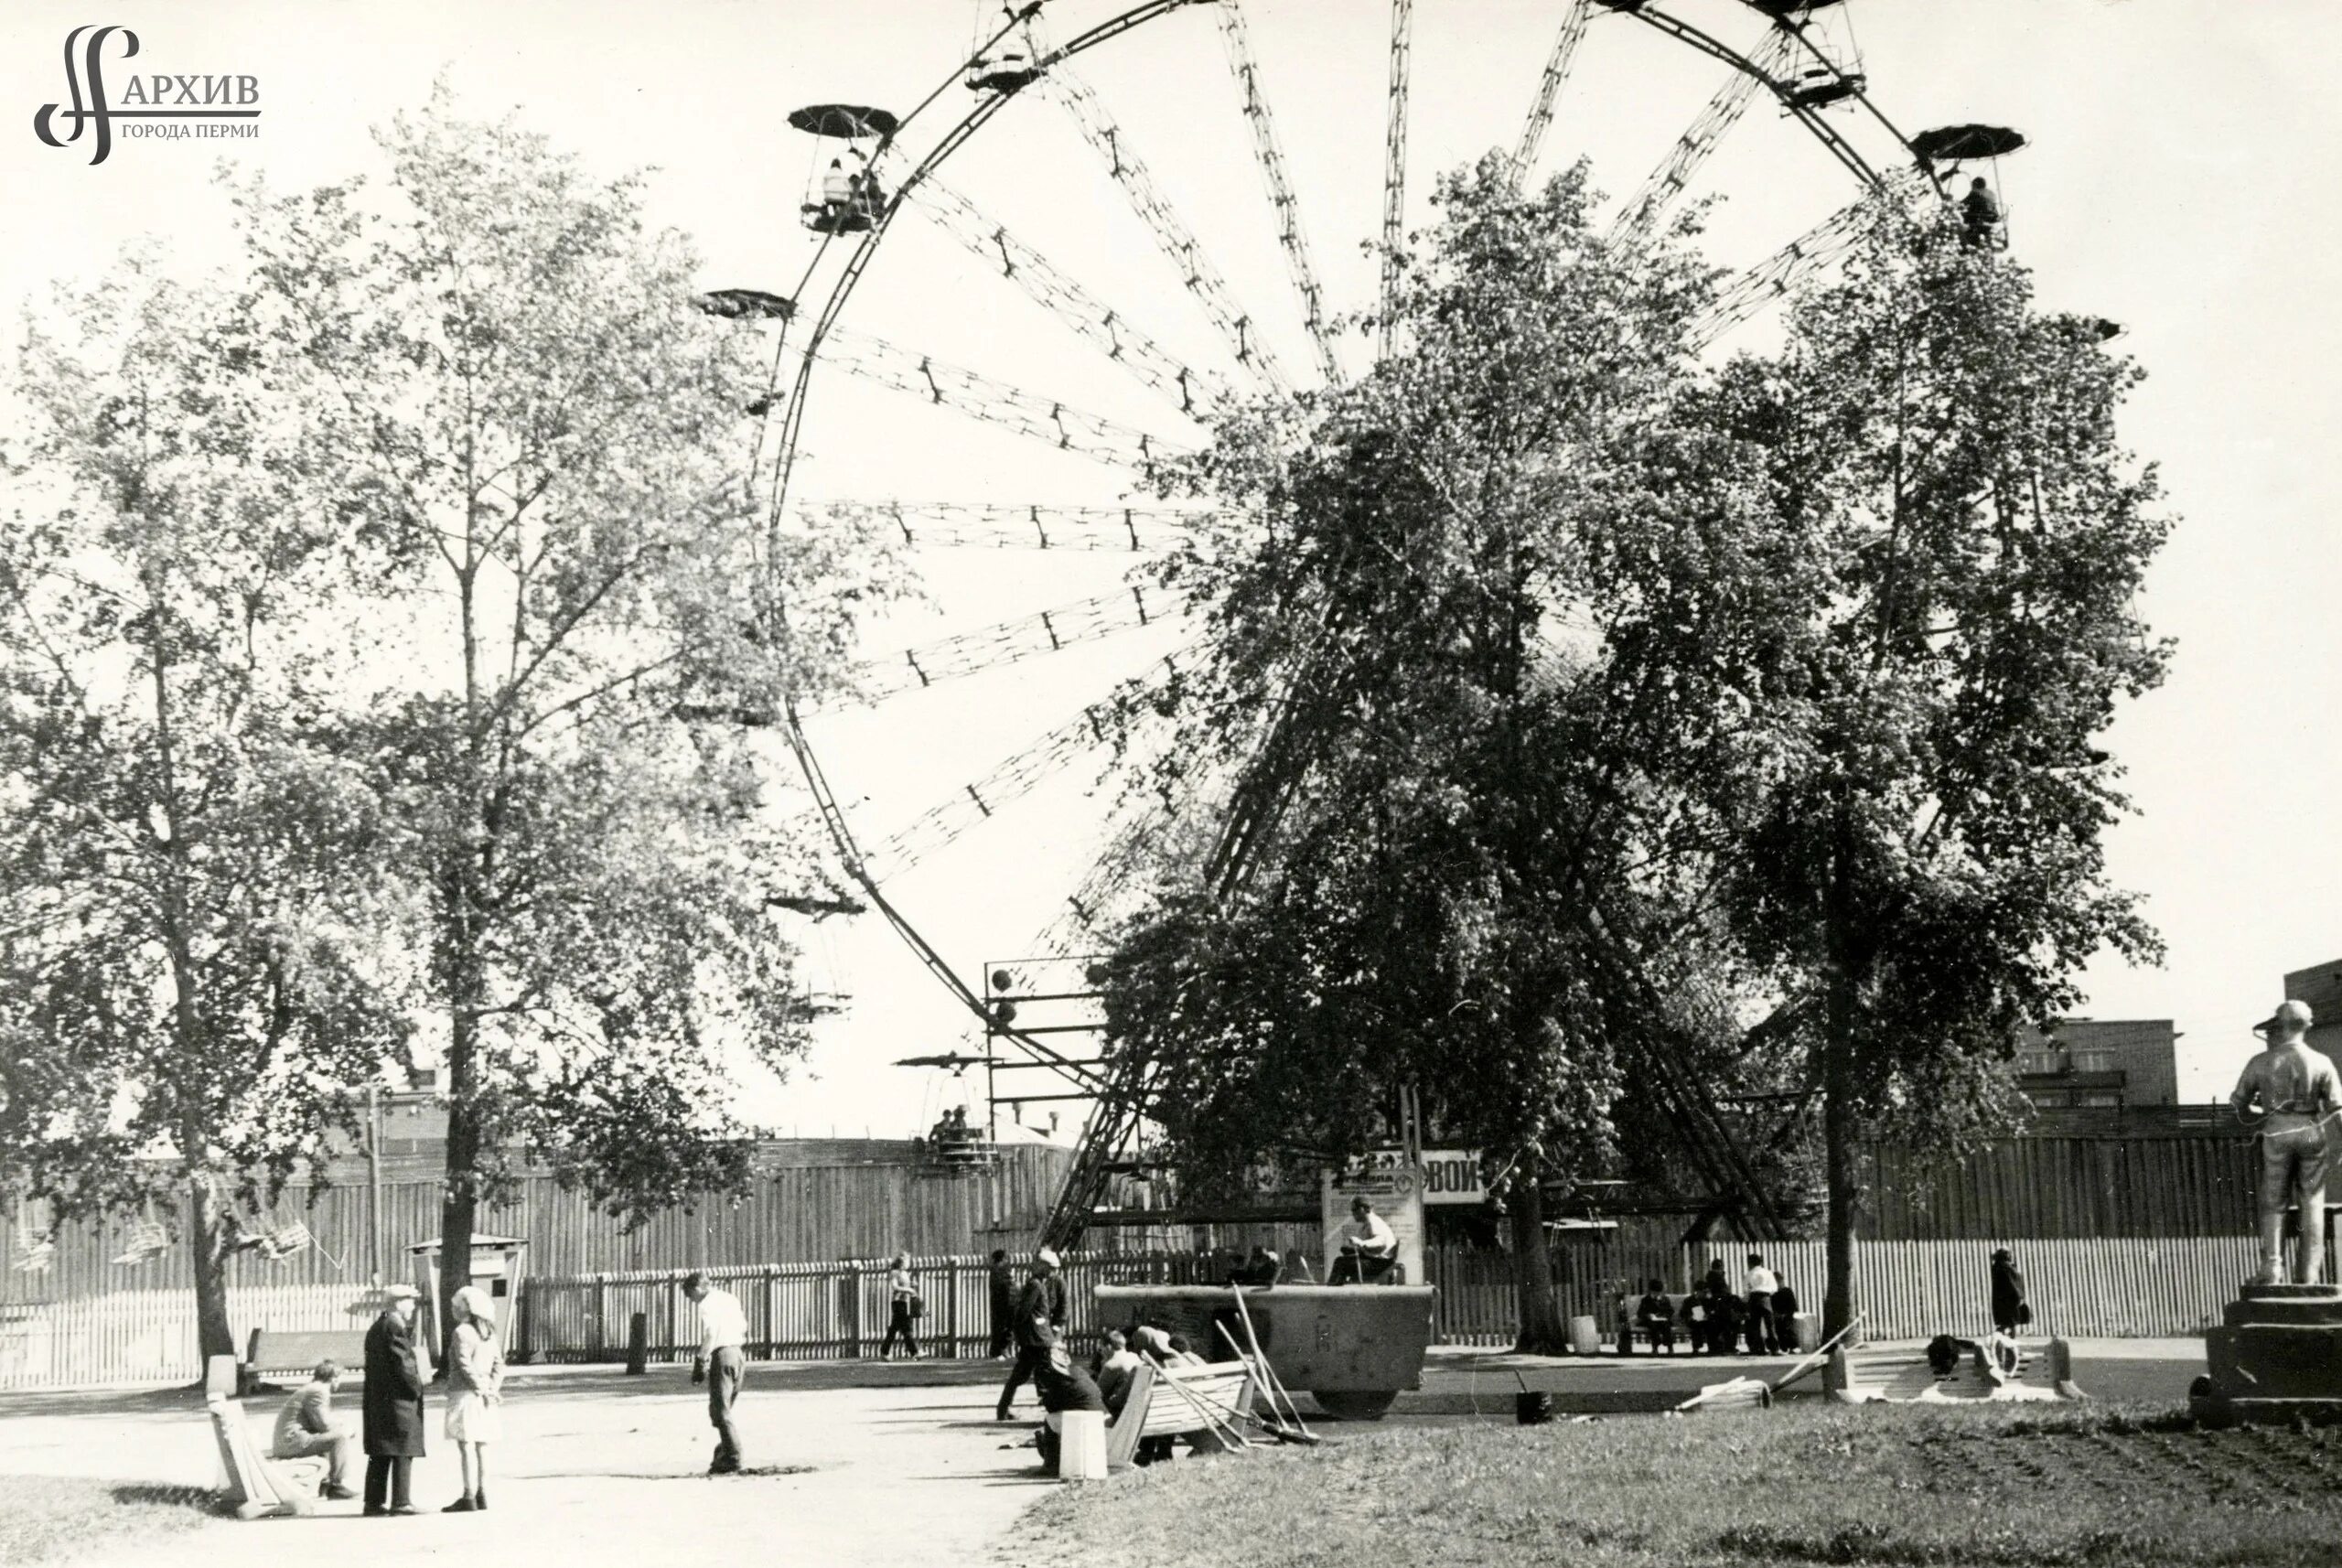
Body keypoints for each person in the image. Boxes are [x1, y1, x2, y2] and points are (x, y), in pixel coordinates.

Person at [2232, 998, 2342, 1284]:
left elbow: (2239, 1103)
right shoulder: (2321, 1061)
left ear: (2279, 1025)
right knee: (2313, 1202)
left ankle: (2272, 1268)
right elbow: (2337, 1108)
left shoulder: (2261, 1062)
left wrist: (2261, 1112)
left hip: (2276, 1129)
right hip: (2310, 1128)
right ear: (2309, 1024)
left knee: (2273, 1199)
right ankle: (2308, 1275)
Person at [360, 1285, 425, 1516]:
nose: (414, 1306)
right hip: (398, 1400)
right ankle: (401, 1501)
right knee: (402, 1449)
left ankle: (373, 1502)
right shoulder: (395, 1327)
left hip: (379, 1399)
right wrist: (417, 1387)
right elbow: (404, 1365)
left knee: (381, 1451)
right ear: (399, 1303)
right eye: (411, 1301)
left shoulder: (378, 1326)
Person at [441, 1285, 503, 1512]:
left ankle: (468, 1495)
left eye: (457, 1306)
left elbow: (464, 1364)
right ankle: (483, 1492)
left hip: (465, 1394)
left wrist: (480, 1388)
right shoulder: (489, 1333)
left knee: (465, 1444)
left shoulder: (461, 1332)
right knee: (482, 1445)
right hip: (485, 1394)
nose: (454, 1310)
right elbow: (499, 1365)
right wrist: (492, 1388)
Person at [685, 1271, 748, 1474]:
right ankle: (723, 1452)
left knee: (720, 1411)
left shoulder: (707, 1304)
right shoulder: (730, 1298)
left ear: (696, 1289)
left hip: (722, 1356)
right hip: (738, 1354)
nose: (691, 1300)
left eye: (689, 1295)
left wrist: (700, 1361)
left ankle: (733, 1457)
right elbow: (743, 1325)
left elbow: (711, 1333)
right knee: (724, 1407)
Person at [271, 1359, 359, 1499]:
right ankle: (335, 1486)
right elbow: (324, 1425)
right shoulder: (319, 1391)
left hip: (290, 1441)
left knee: (327, 1437)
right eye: (339, 1379)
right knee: (339, 1437)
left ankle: (326, 1485)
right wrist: (346, 1428)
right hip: (292, 1443)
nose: (339, 1383)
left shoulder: (312, 1388)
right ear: (333, 1378)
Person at [996, 1248, 1067, 1421]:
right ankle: (1053, 1413)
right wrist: (1023, 1333)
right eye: (1051, 1268)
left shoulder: (1037, 1283)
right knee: (1046, 1376)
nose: (1054, 1272)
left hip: (1035, 1339)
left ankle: (1003, 1409)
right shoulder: (1035, 1284)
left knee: (1021, 1376)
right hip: (1038, 1340)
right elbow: (1024, 1312)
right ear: (1042, 1266)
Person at [1328, 1197, 1398, 1285]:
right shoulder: (1369, 1222)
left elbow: (1381, 1242)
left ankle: (1331, 1292)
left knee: (1341, 1263)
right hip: (1378, 1261)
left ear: (1362, 1209)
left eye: (1354, 1210)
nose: (1353, 1214)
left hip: (1380, 1264)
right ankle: (1335, 1289)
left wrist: (1361, 1243)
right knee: (1342, 1260)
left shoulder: (1374, 1222)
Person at [1092, 1327, 1141, 1417]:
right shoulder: (1134, 1357)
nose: (1101, 1351)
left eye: (1101, 1348)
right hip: (1133, 1406)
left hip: (1116, 1411)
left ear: (1108, 1347)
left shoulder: (1112, 1365)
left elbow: (1096, 1393)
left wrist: (1104, 1365)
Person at [881, 1254, 920, 1359]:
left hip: (904, 1302)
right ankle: (915, 1352)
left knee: (894, 1329)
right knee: (906, 1327)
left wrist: (912, 1284)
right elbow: (895, 1286)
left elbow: (904, 1285)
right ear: (902, 1262)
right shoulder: (895, 1272)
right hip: (898, 1303)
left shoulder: (905, 1273)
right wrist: (909, 1290)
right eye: (908, 1261)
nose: (909, 1263)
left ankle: (885, 1351)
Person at [1743, 1254, 1781, 1355]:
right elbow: (1774, 1288)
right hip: (1765, 1297)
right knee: (1770, 1324)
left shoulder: (1749, 1274)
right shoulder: (1768, 1273)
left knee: (1755, 1324)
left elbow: (1746, 1289)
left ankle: (1759, 1348)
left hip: (1753, 1298)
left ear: (1750, 1263)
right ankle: (1774, 1348)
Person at [1989, 1248, 2030, 1336]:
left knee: (2007, 1322)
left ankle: (2001, 1338)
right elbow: (2012, 1283)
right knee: (2011, 1322)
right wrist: (2020, 1296)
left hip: (2004, 1299)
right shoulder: (2005, 1267)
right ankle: (2006, 1340)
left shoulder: (2000, 1267)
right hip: (2010, 1298)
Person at [987, 1248, 1017, 1357]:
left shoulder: (996, 1271)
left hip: (1001, 1303)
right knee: (1005, 1327)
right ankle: (1001, 1350)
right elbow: (1007, 1287)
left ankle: (998, 1351)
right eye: (1006, 1258)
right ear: (1003, 1259)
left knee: (1000, 1327)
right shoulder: (1000, 1271)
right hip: (1005, 1303)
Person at [1633, 1279, 1676, 1355]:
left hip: (1663, 1320)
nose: (1657, 1294)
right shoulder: (1645, 1300)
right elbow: (1640, 1312)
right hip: (1650, 1321)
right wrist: (1648, 1315)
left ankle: (1669, 1347)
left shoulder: (1665, 1299)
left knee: (1666, 1326)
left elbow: (1670, 1311)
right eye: (1655, 1293)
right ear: (1651, 1291)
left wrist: (1664, 1315)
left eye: (1658, 1293)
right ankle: (1655, 1347)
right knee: (1653, 1327)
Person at [1961, 176, 2000, 249]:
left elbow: (1962, 205)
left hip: (1974, 225)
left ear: (1974, 186)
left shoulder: (1975, 195)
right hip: (1987, 223)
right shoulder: (1990, 197)